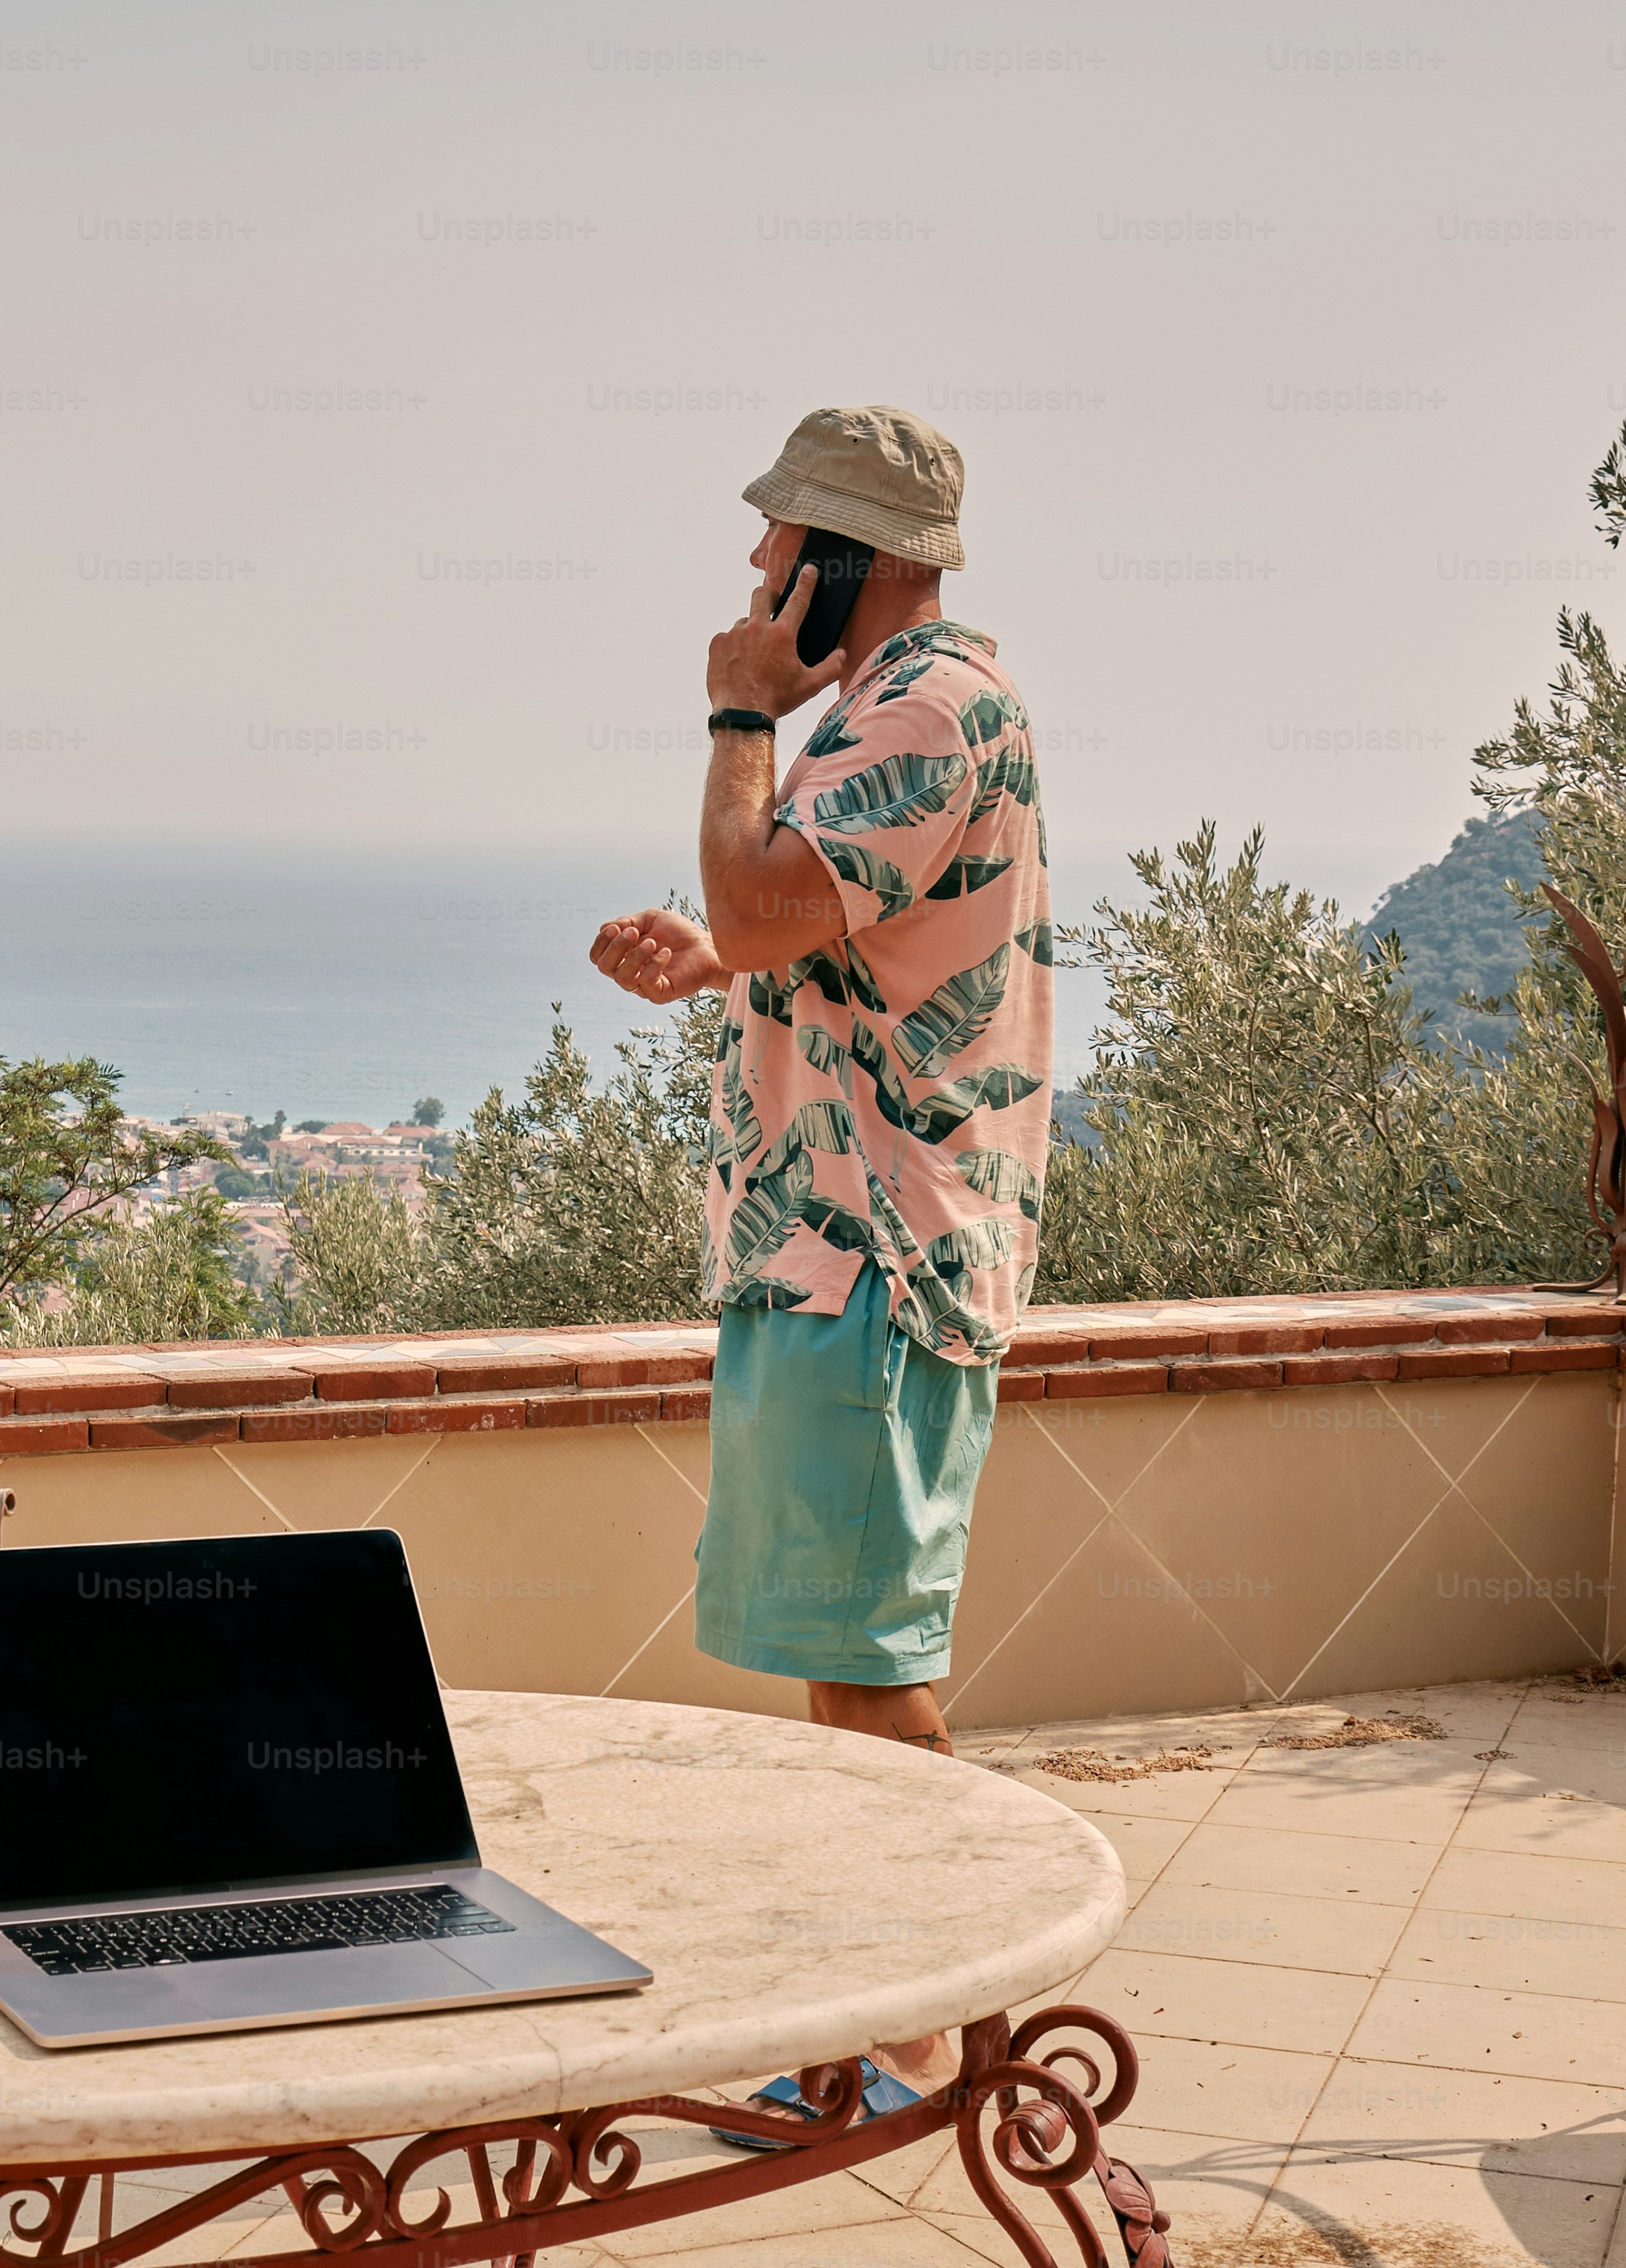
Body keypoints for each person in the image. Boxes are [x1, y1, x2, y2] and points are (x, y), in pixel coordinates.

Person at [586, 416, 1154, 2268]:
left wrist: (737, 719)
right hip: (834, 1256)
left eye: (774, 556)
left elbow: (774, 884)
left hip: (875, 1267)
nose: (752, 586)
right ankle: (890, 2025)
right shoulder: (899, 718)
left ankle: (936, 2029)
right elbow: (806, 925)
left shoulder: (919, 714)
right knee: (846, 1666)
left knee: (877, 1669)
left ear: (845, 555)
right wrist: (717, 950)